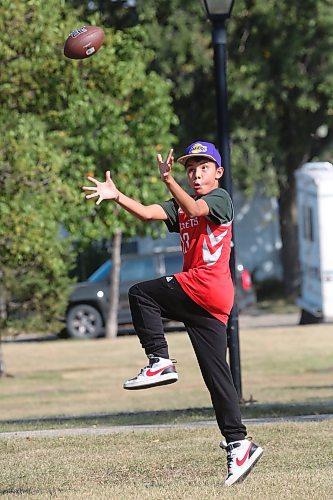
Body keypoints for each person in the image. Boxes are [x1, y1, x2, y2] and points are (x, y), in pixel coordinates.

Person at [83, 141, 263, 486]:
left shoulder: (220, 198)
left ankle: (159, 361)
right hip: (211, 300)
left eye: (204, 167)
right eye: (190, 168)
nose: (196, 173)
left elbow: (196, 210)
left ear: (218, 173)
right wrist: (118, 196)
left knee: (140, 294)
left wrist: (168, 180)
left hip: (204, 285)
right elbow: (150, 213)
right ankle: (240, 444)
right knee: (218, 378)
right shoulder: (182, 203)